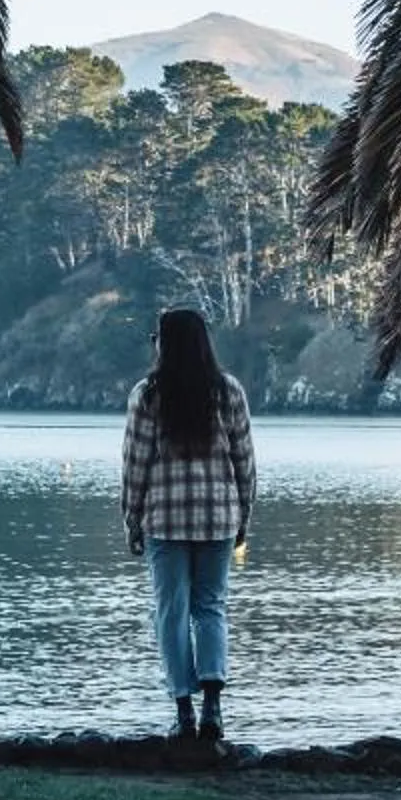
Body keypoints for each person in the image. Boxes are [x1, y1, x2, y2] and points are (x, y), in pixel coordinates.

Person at [120, 306, 256, 740]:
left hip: (165, 520)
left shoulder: (147, 394)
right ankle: (213, 706)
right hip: (218, 518)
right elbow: (245, 462)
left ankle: (184, 711)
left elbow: (135, 465)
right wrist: (243, 517)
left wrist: (132, 520)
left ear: (165, 343)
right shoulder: (228, 391)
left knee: (171, 613)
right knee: (210, 607)